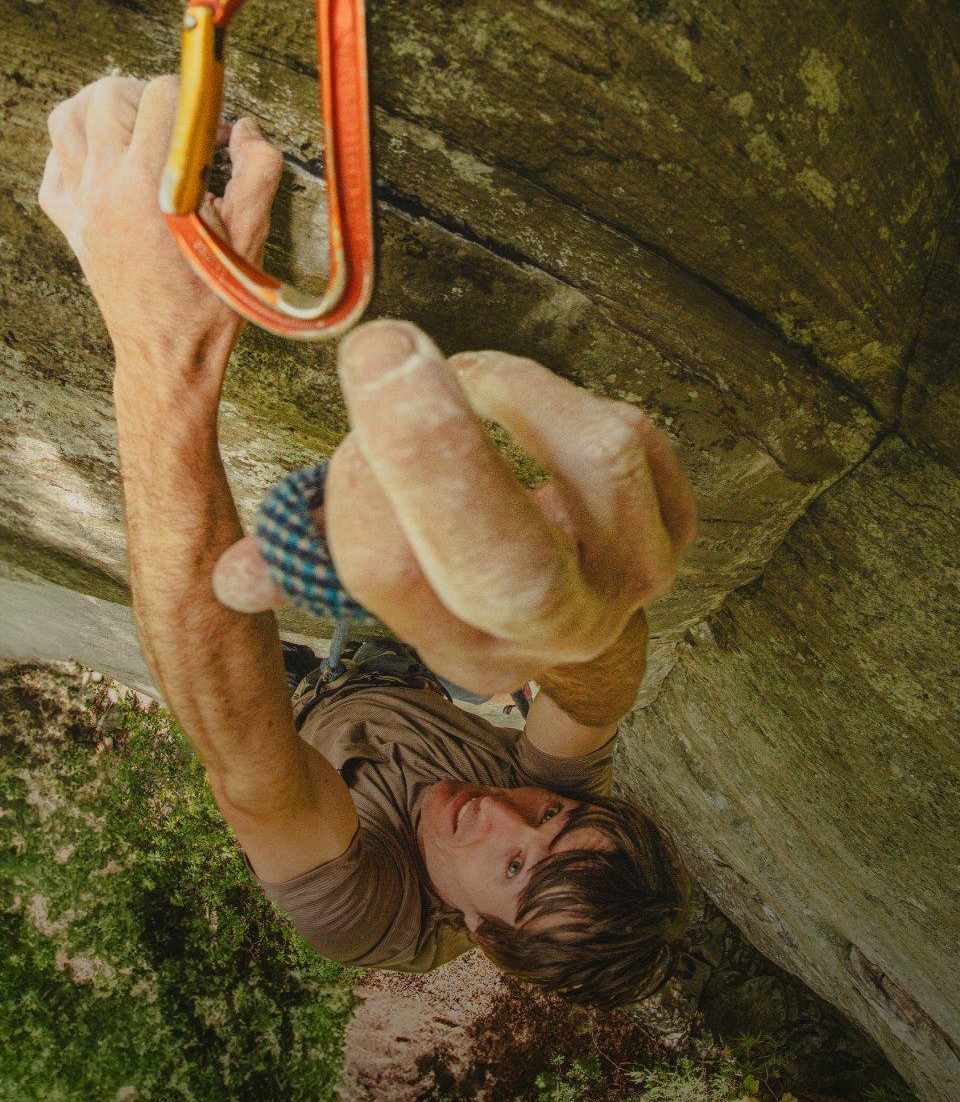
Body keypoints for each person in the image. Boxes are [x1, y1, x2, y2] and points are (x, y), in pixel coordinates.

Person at [39, 76, 698, 1010]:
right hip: (399, 680)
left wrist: (162, 351)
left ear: (481, 932)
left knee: (246, 683)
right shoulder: (532, 800)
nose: (499, 810)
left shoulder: (370, 914)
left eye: (512, 866)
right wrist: (583, 615)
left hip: (307, 713)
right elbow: (593, 705)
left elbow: (256, 772)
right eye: (549, 813)